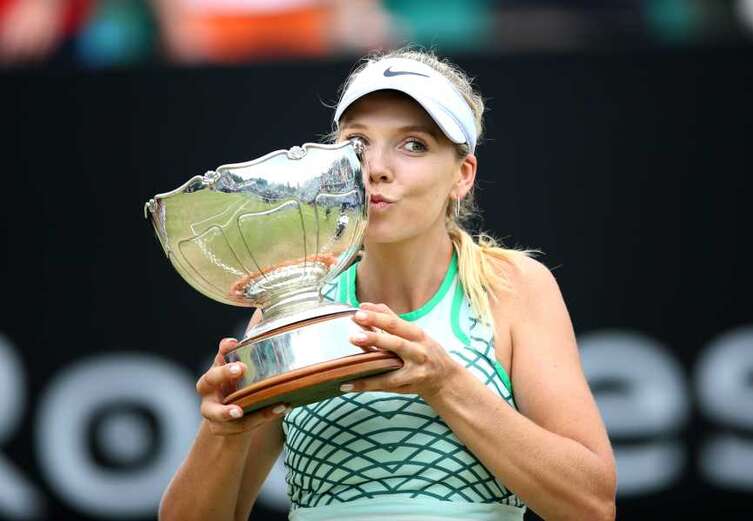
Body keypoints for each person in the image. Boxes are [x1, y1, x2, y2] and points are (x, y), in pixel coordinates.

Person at [159, 48, 617, 521]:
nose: (376, 167)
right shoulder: (292, 310)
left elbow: (592, 507)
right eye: (357, 144)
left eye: (413, 144)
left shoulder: (514, 288)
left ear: (463, 175)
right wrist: (222, 434)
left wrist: (445, 383)